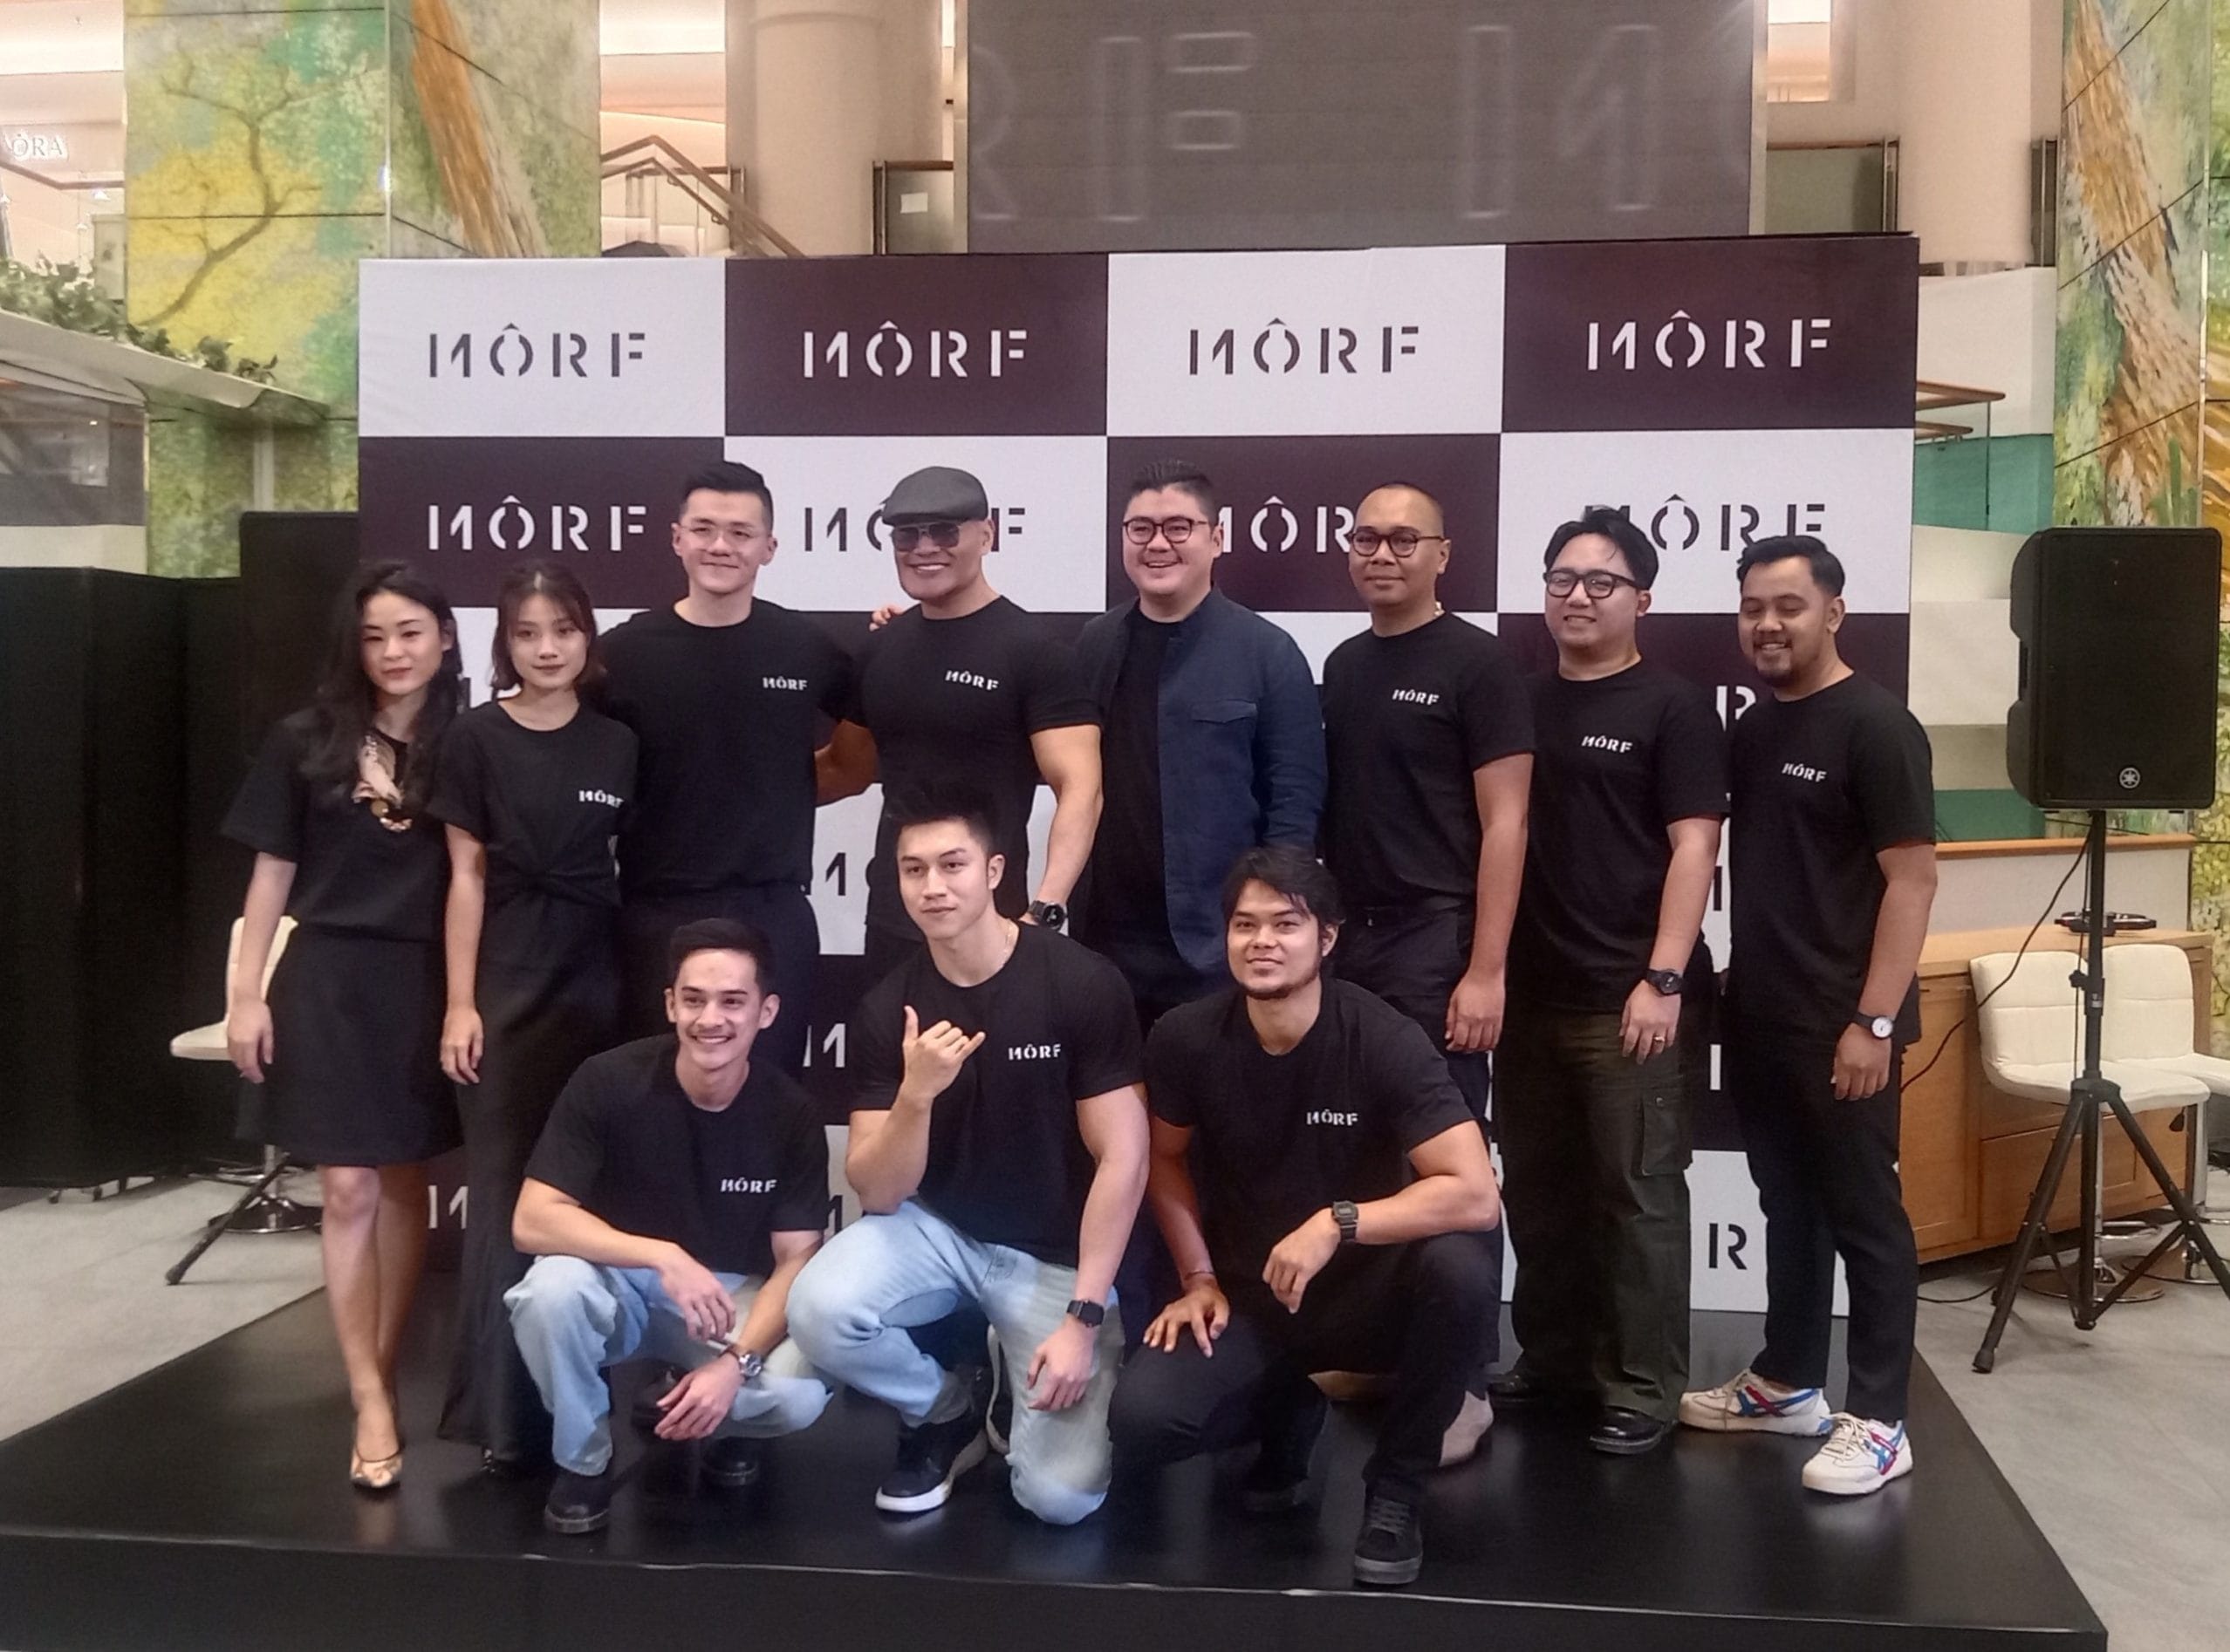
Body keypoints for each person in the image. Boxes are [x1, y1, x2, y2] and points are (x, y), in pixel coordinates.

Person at [1111, 848, 1501, 1591]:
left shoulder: (1380, 1036)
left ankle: (1396, 1491)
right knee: (1143, 1421)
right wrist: (1196, 1276)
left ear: (1326, 937)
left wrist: (1337, 1222)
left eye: (1285, 924)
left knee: (1461, 1270)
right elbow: (1162, 1158)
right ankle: (1288, 1408)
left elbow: (1476, 1193)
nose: (1263, 941)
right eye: (1245, 924)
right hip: (1252, 1295)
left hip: (1367, 1295)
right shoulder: (1186, 1037)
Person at [785, 788, 1148, 1526]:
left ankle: (1016, 1369)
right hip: (941, 1233)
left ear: (995, 872)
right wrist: (916, 1095)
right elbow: (878, 1192)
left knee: (1060, 1500)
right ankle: (946, 1409)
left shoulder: (1079, 982)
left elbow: (1126, 1158)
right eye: (913, 869)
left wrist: (1081, 1319)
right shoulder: (888, 1006)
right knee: (817, 1309)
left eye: (953, 865)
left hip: (1054, 1258)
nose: (933, 886)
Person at [1679, 535, 1936, 1498]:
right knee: (1787, 1206)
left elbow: (1912, 882)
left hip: (1846, 1027)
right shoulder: (1753, 729)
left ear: (1834, 611)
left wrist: (1874, 1022)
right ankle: (1787, 1381)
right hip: (1762, 1014)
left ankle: (1880, 1420)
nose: (1767, 624)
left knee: (1867, 1218)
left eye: (1788, 605)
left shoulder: (1878, 726)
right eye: (1753, 606)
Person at [222, 560, 467, 1492]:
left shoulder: (470, 740)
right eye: (373, 637)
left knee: (403, 1182)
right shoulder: (305, 739)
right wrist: (246, 993)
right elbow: (270, 874)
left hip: (424, 981)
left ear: (444, 637)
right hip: (326, 979)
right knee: (349, 1186)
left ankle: (385, 1362)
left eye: (410, 632)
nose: (393, 652)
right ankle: (367, 1391)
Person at [1493, 508, 1726, 1457]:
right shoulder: (1518, 703)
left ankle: (1642, 1385)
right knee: (1539, 1191)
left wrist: (1662, 976)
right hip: (1528, 999)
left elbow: (1696, 846)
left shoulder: (1674, 707)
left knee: (1639, 1198)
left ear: (1643, 599)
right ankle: (1552, 1357)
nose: (1578, 596)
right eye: (1562, 579)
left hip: (1630, 998)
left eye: (1601, 582)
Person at [506, 919, 835, 1535]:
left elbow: (797, 1260)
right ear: (670, 1005)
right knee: (548, 1294)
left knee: (800, 1396)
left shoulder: (790, 1112)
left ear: (766, 1012)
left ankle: (713, 1416)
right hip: (620, 1285)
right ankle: (583, 1459)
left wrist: (734, 1365)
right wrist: (663, 1256)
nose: (711, 1019)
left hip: (727, 1302)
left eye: (732, 1001)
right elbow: (532, 1218)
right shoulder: (607, 1080)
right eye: (694, 999)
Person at [1317, 481, 1528, 1397]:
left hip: (1437, 941)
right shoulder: (1343, 664)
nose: (1382, 554)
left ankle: (1463, 1382)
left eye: (1405, 540)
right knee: (1365, 1154)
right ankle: (1382, 1351)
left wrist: (1485, 968)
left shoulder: (1480, 665)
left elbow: (1508, 824)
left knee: (1450, 1157)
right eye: (1366, 537)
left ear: (1443, 554)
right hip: (1350, 945)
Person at [430, 560, 638, 1474]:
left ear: (587, 635)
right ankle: (502, 1419)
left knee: (590, 1198)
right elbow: (464, 878)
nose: (547, 648)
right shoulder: (473, 737)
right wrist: (460, 1003)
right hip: (508, 988)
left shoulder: (617, 742)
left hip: (599, 984)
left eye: (563, 629)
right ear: (504, 643)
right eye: (527, 633)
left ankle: (583, 1403)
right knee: (504, 1201)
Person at [597, 460, 858, 1073]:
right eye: (704, 529)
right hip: (656, 910)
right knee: (654, 1093)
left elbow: (857, 755)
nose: (721, 546)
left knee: (768, 1093)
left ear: (769, 547)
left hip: (773, 910)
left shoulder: (804, 647)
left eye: (741, 532)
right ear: (676, 538)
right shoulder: (622, 654)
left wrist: (786, 787)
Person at [1073, 459, 1326, 1027]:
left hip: (1217, 945)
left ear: (1217, 538)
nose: (1157, 543)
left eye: (1178, 527)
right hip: (1102, 942)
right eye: (1141, 528)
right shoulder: (1094, 644)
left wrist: (1269, 927)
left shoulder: (1268, 652)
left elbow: (1294, 804)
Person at [819, 466, 1100, 979]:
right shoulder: (880, 649)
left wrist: (1046, 908)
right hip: (892, 923)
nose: (924, 547)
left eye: (945, 531)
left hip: (995, 926)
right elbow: (843, 770)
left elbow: (1082, 789)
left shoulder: (1035, 652)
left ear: (986, 534)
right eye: (907, 535)